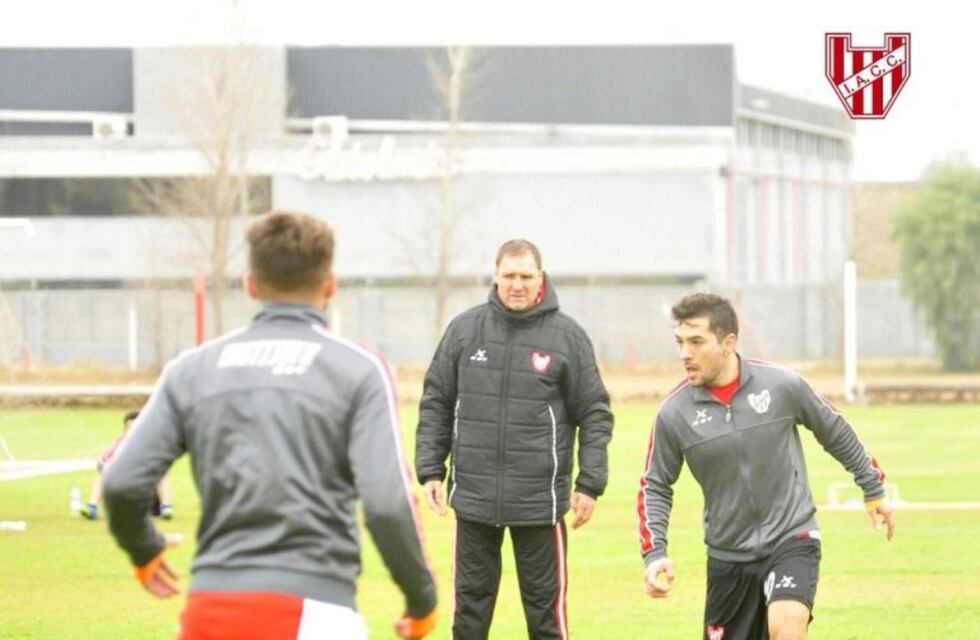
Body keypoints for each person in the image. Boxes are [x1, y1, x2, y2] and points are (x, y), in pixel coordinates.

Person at [103, 210, 438, 640]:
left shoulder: (192, 369)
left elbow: (121, 481)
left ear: (251, 284)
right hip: (315, 609)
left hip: (210, 612)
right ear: (330, 285)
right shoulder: (358, 369)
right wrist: (421, 597)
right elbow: (388, 503)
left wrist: (144, 549)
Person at [637, 292, 895, 640]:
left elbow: (833, 428)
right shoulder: (673, 412)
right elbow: (655, 485)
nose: (685, 353)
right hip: (728, 557)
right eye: (680, 342)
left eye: (697, 342)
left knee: (787, 626)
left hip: (791, 536)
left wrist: (873, 487)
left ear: (728, 342)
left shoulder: (781, 385)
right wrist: (655, 554)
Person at [416, 239, 613, 640]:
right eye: (509, 276)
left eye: (526, 276)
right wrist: (430, 469)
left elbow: (594, 411)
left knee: (546, 619)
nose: (517, 284)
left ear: (540, 277)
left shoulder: (567, 337)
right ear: (496, 277)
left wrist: (590, 482)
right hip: (474, 499)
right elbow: (436, 399)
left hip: (540, 504)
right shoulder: (464, 331)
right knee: (469, 614)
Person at [80, 410, 173, 521]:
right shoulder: (117, 445)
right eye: (130, 428)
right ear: (124, 430)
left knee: (160, 473)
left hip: (148, 496)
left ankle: (165, 506)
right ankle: (92, 507)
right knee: (104, 473)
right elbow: (102, 464)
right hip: (124, 491)